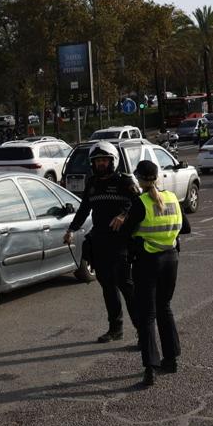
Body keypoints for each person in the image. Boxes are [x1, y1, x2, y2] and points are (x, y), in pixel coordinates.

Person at [63, 141, 140, 343]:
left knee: (127, 288)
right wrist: (72, 229)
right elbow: (84, 210)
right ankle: (116, 329)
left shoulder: (125, 182)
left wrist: (124, 215)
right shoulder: (92, 184)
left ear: (112, 161)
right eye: (97, 161)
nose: (101, 164)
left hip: (121, 244)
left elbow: (141, 206)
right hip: (100, 244)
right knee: (108, 288)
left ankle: (143, 332)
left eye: (105, 160)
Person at [123, 159, 191, 387]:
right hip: (171, 259)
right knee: (165, 307)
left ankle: (150, 368)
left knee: (147, 314)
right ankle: (171, 359)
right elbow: (187, 227)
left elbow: (124, 234)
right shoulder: (171, 197)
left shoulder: (139, 202)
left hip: (147, 261)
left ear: (139, 179)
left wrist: (136, 239)